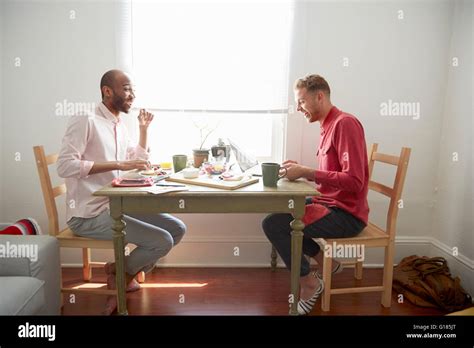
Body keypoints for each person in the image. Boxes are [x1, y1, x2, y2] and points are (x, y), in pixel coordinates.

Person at [57, 69, 186, 315]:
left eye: (132, 89)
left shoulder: (117, 124)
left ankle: (119, 272)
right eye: (126, 88)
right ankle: (120, 280)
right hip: (88, 214)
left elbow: (134, 160)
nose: (132, 95)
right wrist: (118, 165)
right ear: (107, 91)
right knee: (162, 240)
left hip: (116, 205)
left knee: (177, 229)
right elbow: (65, 166)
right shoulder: (86, 119)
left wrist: (143, 130)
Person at [262, 74, 369, 315]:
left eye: (301, 102)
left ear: (319, 96)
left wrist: (307, 171)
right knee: (281, 213)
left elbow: (354, 181)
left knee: (275, 225)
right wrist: (301, 170)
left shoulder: (345, 124)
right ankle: (325, 262)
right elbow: (332, 174)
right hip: (331, 203)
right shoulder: (327, 126)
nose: (299, 108)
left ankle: (309, 283)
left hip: (347, 215)